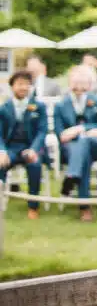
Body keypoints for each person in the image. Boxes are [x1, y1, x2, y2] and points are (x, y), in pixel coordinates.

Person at [54, 65, 97, 222]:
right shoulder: (61, 105)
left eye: (83, 81)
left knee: (84, 144)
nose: (79, 86)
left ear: (90, 84)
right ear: (70, 83)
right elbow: (62, 135)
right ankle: (84, 206)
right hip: (70, 150)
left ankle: (72, 176)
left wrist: (80, 129)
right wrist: (85, 132)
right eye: (75, 81)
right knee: (83, 156)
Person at [0, 70, 49, 219]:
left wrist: (34, 149)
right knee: (0, 164)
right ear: (12, 86)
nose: (23, 88)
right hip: (11, 148)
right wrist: (2, 151)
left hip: (31, 146)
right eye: (20, 84)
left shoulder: (39, 107)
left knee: (34, 165)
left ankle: (33, 206)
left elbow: (42, 131)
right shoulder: (4, 108)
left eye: (26, 84)